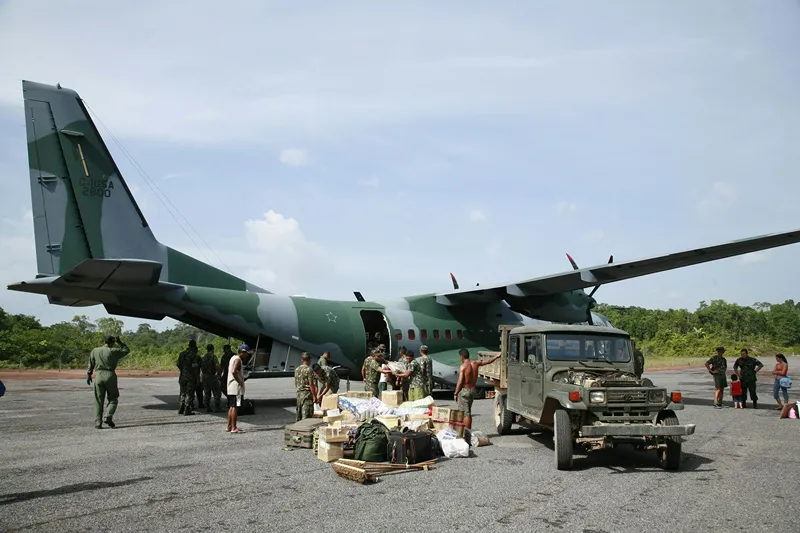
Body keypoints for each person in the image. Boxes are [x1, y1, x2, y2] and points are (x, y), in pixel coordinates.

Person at [87, 335, 130, 429]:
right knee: (113, 398)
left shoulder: (95, 351)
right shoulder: (114, 351)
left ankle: (98, 422)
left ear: (104, 341)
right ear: (113, 342)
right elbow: (126, 350)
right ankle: (108, 416)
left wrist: (89, 374)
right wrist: (120, 342)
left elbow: (91, 363)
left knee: (98, 400)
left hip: (98, 376)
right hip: (110, 375)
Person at [455, 348, 501, 430]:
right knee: (468, 411)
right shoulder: (475, 363)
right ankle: (467, 431)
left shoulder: (463, 367)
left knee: (466, 413)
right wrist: (496, 357)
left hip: (465, 390)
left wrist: (455, 393)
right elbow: (488, 361)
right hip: (473, 390)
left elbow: (460, 381)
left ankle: (467, 432)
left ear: (462, 357)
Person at [227, 344, 251, 433]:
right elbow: (234, 371)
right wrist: (240, 381)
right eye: (246, 353)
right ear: (243, 352)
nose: (247, 355)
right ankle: (234, 427)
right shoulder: (238, 360)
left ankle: (229, 426)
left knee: (231, 406)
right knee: (235, 407)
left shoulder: (232, 358)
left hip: (231, 386)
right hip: (236, 388)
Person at [177, 340, 201, 415]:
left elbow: (178, 364)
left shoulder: (182, 354)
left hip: (182, 376)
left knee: (182, 392)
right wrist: (197, 378)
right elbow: (195, 367)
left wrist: (183, 370)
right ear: (194, 346)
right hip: (191, 377)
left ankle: (181, 407)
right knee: (189, 393)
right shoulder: (194, 355)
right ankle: (187, 409)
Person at [294, 353, 318, 421]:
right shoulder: (309, 370)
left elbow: (295, 382)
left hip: (299, 394)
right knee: (307, 415)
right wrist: (314, 396)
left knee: (299, 413)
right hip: (307, 394)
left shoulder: (297, 369)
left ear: (302, 359)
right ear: (309, 360)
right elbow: (311, 384)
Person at [201, 344, 222, 413]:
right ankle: (217, 407)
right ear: (213, 349)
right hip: (211, 376)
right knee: (217, 391)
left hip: (204, 376)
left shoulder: (203, 357)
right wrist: (218, 375)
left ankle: (207, 407)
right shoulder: (213, 356)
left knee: (207, 392)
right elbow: (217, 366)